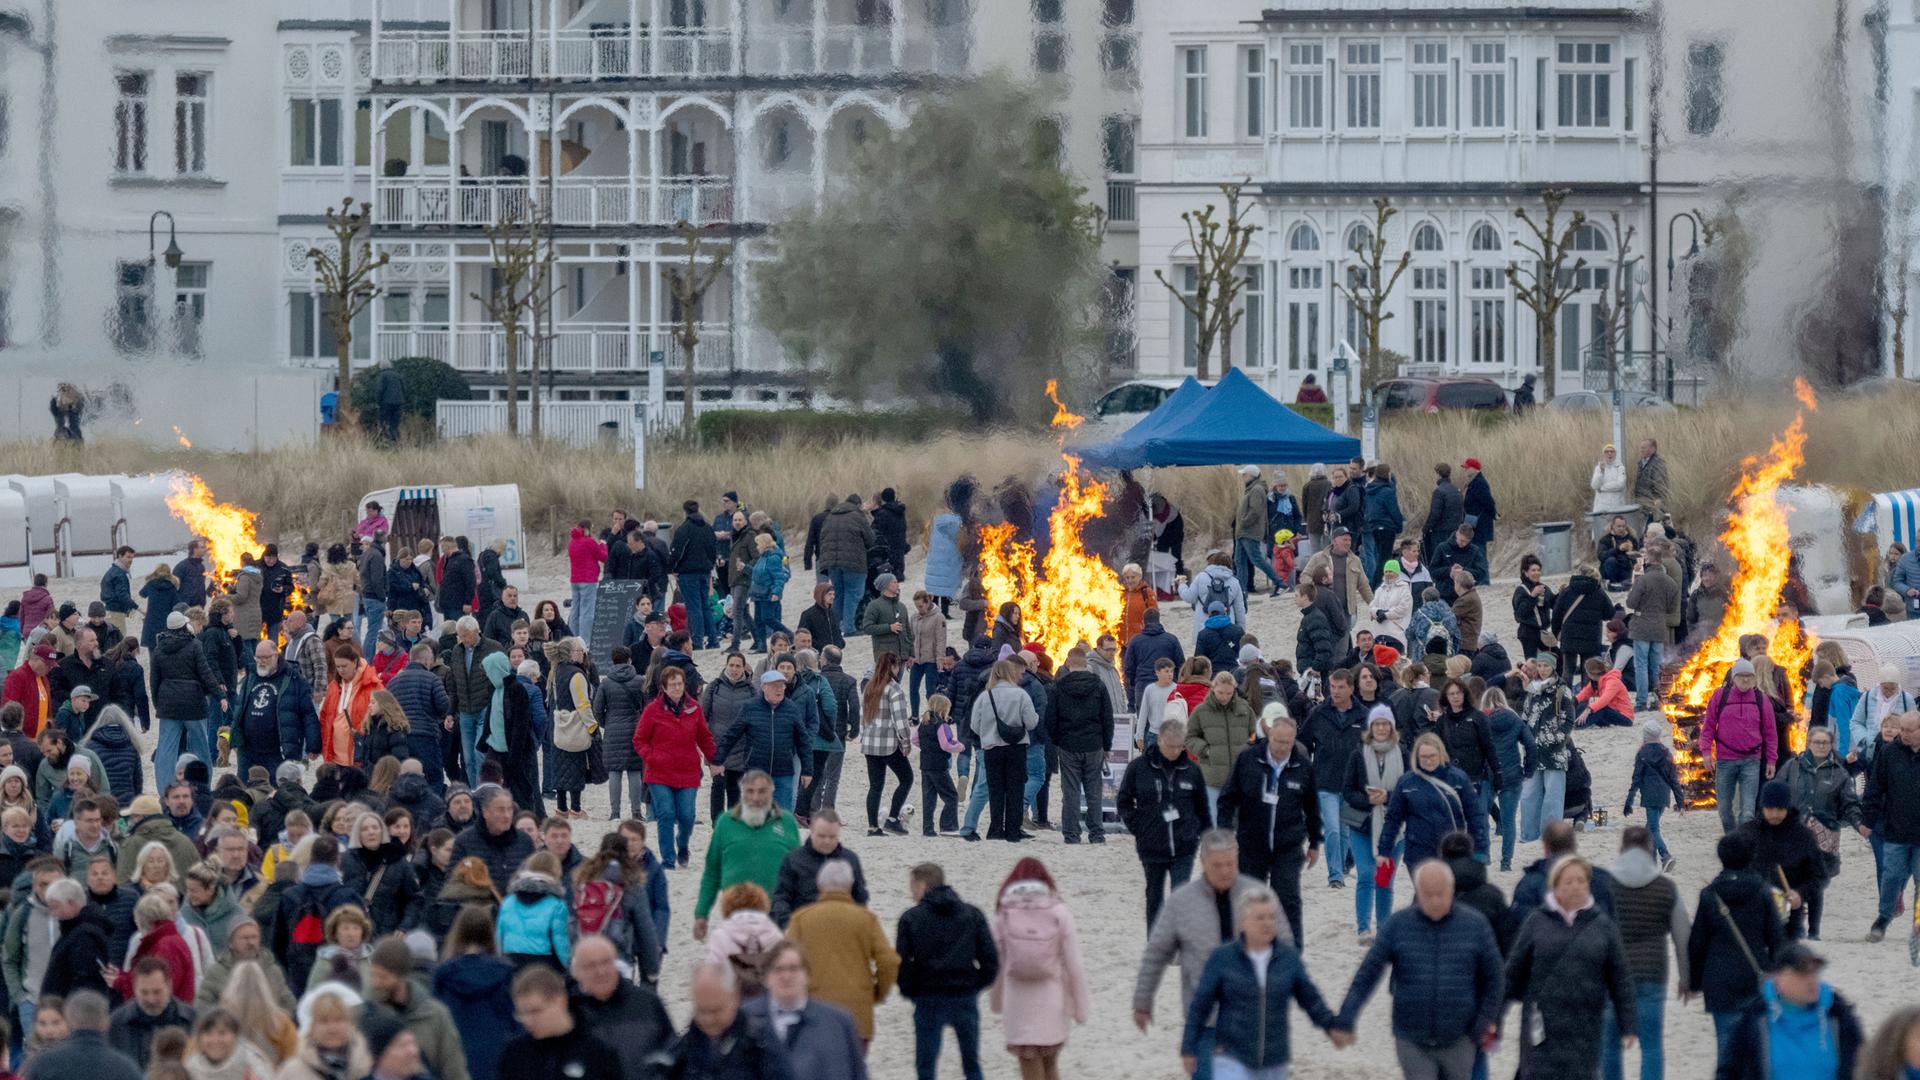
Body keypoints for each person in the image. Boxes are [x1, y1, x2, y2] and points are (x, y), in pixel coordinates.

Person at [1333, 860, 1502, 1080]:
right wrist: (1346, 1016)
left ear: (1451, 891)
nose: (1434, 901)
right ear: (1417, 893)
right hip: (1411, 1038)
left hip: (1460, 1036)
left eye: (1440, 894)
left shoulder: (1475, 925)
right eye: (1428, 895)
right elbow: (1367, 974)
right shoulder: (1398, 925)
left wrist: (1484, 1020)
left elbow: (1495, 977)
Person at [1181, 885, 1345, 1080]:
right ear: (1242, 922)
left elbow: (1310, 999)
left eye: (1271, 917)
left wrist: (1331, 1025)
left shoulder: (1288, 958)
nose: (1267, 924)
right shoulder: (1223, 959)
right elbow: (1200, 1006)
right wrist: (1189, 1047)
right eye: (1260, 918)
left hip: (1274, 1061)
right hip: (1231, 1057)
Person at [1503, 855, 1635, 1080]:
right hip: (1541, 1027)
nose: (1576, 887)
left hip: (1584, 1026)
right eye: (1569, 881)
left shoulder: (1602, 926)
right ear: (1555, 886)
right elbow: (1512, 973)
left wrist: (1628, 1024)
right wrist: (1494, 1016)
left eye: (1581, 881)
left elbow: (1620, 977)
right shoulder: (1536, 922)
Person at [1215, 713, 1319, 950]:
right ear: (1269, 735)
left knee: (1288, 898)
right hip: (1252, 843)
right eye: (1278, 741)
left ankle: (1292, 951)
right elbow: (1227, 799)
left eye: (1288, 743)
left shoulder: (1303, 766)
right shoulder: (1248, 759)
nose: (1282, 747)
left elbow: (1312, 807)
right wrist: (1226, 833)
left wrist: (1315, 842)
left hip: (1288, 845)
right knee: (1249, 898)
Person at [1601, 826, 1691, 1080]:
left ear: (1621, 849)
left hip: (1612, 975)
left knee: (1609, 1046)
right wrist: (1686, 978)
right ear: (1650, 849)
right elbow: (1682, 936)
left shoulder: (1606, 885)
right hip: (1652, 973)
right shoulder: (1665, 887)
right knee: (1651, 1047)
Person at [1688, 831, 1786, 1060]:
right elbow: (1776, 938)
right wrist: (1780, 973)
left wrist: (1694, 982)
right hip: (1756, 973)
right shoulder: (1762, 891)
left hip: (1719, 977)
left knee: (1726, 1045)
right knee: (1759, 1047)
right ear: (1751, 857)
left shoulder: (1710, 894)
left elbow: (1698, 942)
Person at [896, 863, 997, 1080]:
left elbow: (902, 962)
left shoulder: (911, 918)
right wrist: (975, 983)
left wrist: (911, 990)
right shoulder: (972, 914)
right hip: (964, 994)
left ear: (922, 885)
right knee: (971, 1064)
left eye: (912, 887)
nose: (911, 893)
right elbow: (990, 959)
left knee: (926, 1066)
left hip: (928, 995)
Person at [988, 859, 1088, 1080]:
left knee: (1029, 1067)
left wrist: (995, 1002)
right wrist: (1080, 1008)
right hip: (1052, 1001)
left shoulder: (1004, 912)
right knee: (1051, 1066)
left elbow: (996, 964)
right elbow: (1074, 964)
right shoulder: (1059, 911)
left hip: (1017, 1003)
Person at [785, 860, 898, 1048]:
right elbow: (889, 961)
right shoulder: (866, 919)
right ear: (850, 886)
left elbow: (787, 962)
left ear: (820, 885)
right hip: (857, 1011)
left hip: (814, 1009)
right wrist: (877, 992)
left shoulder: (801, 919)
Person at [1117, 718, 1211, 930]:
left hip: (1184, 844)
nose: (1174, 751)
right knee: (1154, 895)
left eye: (1179, 746)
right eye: (1170, 746)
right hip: (1152, 845)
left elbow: (1202, 808)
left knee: (1181, 895)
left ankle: (1179, 939)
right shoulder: (1139, 768)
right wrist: (1139, 827)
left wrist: (1204, 837)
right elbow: (1124, 801)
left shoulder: (1192, 770)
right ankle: (1155, 940)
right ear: (1159, 740)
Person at [694, 771, 800, 943]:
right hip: (736, 911)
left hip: (778, 912)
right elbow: (712, 872)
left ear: (772, 792)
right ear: (742, 792)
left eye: (762, 791)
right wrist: (701, 913)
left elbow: (799, 870)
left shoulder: (786, 822)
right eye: (750, 791)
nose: (756, 798)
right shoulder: (726, 822)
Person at [1776, 726, 1859, 940]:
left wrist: (1858, 823)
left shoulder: (1839, 773)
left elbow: (1849, 803)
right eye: (1817, 742)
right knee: (1793, 880)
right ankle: (1795, 927)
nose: (1821, 746)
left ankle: (1814, 930)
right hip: (1794, 832)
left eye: (1825, 742)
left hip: (1824, 834)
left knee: (1815, 883)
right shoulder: (1792, 767)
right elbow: (1777, 791)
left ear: (1831, 745)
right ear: (1808, 743)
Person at [633, 664, 717, 868]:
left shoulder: (694, 708)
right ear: (664, 687)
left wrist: (714, 760)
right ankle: (668, 858)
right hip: (659, 773)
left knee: (687, 816)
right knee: (666, 814)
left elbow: (704, 737)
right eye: (673, 685)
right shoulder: (652, 710)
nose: (677, 688)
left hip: (688, 771)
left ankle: (683, 844)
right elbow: (639, 739)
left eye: (680, 684)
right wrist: (651, 756)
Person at [742, 942, 867, 1079]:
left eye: (793, 969)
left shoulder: (838, 1023)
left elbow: (858, 1074)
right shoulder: (743, 1020)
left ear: (807, 975)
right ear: (765, 978)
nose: (786, 976)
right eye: (778, 969)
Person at [1337, 707, 1405, 939]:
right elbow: (1348, 791)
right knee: (1366, 875)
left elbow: (1409, 790)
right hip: (1363, 825)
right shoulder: (1358, 754)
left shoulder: (1403, 753)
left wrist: (1389, 797)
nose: (1381, 728)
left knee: (1384, 879)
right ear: (1371, 727)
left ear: (1392, 727)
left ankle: (1384, 930)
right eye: (1377, 724)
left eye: (1385, 724)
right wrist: (1369, 800)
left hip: (1394, 827)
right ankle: (1363, 928)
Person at [569, 934, 673, 1080]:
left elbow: (673, 1055)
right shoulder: (568, 1014)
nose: (600, 972)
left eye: (606, 962)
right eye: (591, 966)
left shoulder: (647, 1002)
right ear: (576, 972)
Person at [1378, 733, 1484, 874]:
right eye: (1424, 757)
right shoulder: (1406, 782)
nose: (1428, 761)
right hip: (1418, 852)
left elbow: (1474, 816)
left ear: (1440, 754)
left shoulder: (1458, 779)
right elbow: (1393, 819)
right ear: (1417, 757)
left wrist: (1480, 849)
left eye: (1432, 756)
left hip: (1452, 850)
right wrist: (1384, 850)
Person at [666, 960, 794, 1077]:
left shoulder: (760, 1043)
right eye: (701, 1011)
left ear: (734, 998)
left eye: (716, 1011)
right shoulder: (681, 1050)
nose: (708, 1019)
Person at [495, 965, 621, 1080]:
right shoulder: (515, 1055)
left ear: (560, 1001)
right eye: (522, 1014)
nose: (528, 1020)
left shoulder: (597, 1053)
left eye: (535, 1011)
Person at [1737, 782, 1826, 942]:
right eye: (1770, 808)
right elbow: (1733, 869)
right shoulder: (1747, 832)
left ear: (1788, 808)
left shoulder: (1803, 835)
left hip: (1789, 918)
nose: (1774, 814)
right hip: (1752, 914)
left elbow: (1819, 876)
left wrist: (1800, 893)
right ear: (1762, 807)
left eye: (1780, 809)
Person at [715, 672, 812, 812]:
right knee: (754, 816)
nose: (779, 689)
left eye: (782, 686)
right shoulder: (750, 707)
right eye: (775, 686)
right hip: (756, 771)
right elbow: (731, 735)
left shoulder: (791, 709)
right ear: (764, 687)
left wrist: (807, 771)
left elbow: (803, 741)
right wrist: (718, 761)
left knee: (782, 816)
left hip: (783, 771)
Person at [1702, 659, 1779, 832]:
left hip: (1751, 760)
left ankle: (1744, 842)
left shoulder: (1761, 699)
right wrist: (1706, 752)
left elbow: (1770, 732)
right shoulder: (1720, 696)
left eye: (1749, 676)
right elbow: (1708, 726)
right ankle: (1732, 838)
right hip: (1725, 760)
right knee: (1724, 810)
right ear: (1733, 678)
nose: (1745, 680)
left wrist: (1771, 760)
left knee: (1747, 812)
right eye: (1741, 676)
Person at [969, 660, 1037, 844]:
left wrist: (987, 732)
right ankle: (1013, 830)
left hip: (992, 748)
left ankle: (996, 829)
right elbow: (1031, 722)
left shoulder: (985, 696)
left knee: (996, 790)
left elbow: (974, 724)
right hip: (1016, 747)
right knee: (1016, 789)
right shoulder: (1021, 694)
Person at [771, 810, 869, 928]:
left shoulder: (850, 860)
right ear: (811, 832)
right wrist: (788, 925)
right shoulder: (794, 860)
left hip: (841, 927)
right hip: (802, 927)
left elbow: (860, 899)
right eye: (822, 836)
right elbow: (781, 898)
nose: (827, 841)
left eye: (832, 836)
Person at [1519, 654, 1575, 843]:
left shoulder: (1562, 691)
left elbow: (1568, 721)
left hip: (1554, 752)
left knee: (1553, 798)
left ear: (1553, 667)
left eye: (1546, 666)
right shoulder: (1532, 691)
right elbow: (1525, 717)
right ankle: (1528, 835)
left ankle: (1550, 838)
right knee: (1528, 796)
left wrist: (1556, 739)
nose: (1542, 670)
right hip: (1532, 752)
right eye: (1540, 666)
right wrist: (1525, 738)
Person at [1623, 720, 1686, 868]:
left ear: (1645, 735)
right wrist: (1681, 803)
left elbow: (1636, 779)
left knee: (1653, 829)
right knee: (1649, 830)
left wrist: (1629, 802)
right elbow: (1674, 780)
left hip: (1650, 796)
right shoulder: (1667, 753)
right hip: (1664, 796)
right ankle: (1650, 863)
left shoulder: (1642, 753)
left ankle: (1665, 855)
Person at [1624, 558, 1679, 711]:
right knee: (1657, 666)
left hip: (1641, 626)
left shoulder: (1642, 580)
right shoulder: (1671, 582)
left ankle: (1641, 701)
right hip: (1659, 627)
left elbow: (1631, 603)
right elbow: (1672, 608)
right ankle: (1657, 700)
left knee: (1641, 665)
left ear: (1647, 566)